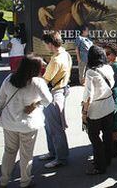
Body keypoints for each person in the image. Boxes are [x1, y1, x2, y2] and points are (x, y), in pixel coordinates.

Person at [0, 55, 52, 187]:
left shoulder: (10, 78)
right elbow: (48, 100)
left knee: (9, 151)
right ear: (35, 69)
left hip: (9, 123)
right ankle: (25, 182)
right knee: (26, 154)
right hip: (28, 125)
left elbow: (0, 100)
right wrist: (35, 103)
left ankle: (3, 181)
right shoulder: (37, 82)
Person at [39, 32, 72, 169]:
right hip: (61, 90)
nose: (45, 46)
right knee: (50, 126)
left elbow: (44, 81)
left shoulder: (56, 60)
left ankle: (60, 157)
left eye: (46, 44)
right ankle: (53, 152)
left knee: (55, 128)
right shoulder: (65, 54)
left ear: (50, 44)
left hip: (54, 94)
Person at [81, 46, 115, 175]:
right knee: (107, 134)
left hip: (96, 109)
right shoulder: (108, 68)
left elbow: (88, 96)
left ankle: (100, 165)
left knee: (94, 137)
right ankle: (107, 159)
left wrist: (84, 112)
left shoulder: (90, 72)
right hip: (109, 105)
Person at [103, 42, 117, 158]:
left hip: (113, 95)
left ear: (114, 53)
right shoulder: (113, 62)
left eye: (108, 53)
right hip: (113, 94)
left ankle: (114, 150)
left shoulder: (115, 65)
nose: (106, 56)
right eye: (104, 53)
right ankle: (114, 149)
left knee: (113, 124)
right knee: (113, 124)